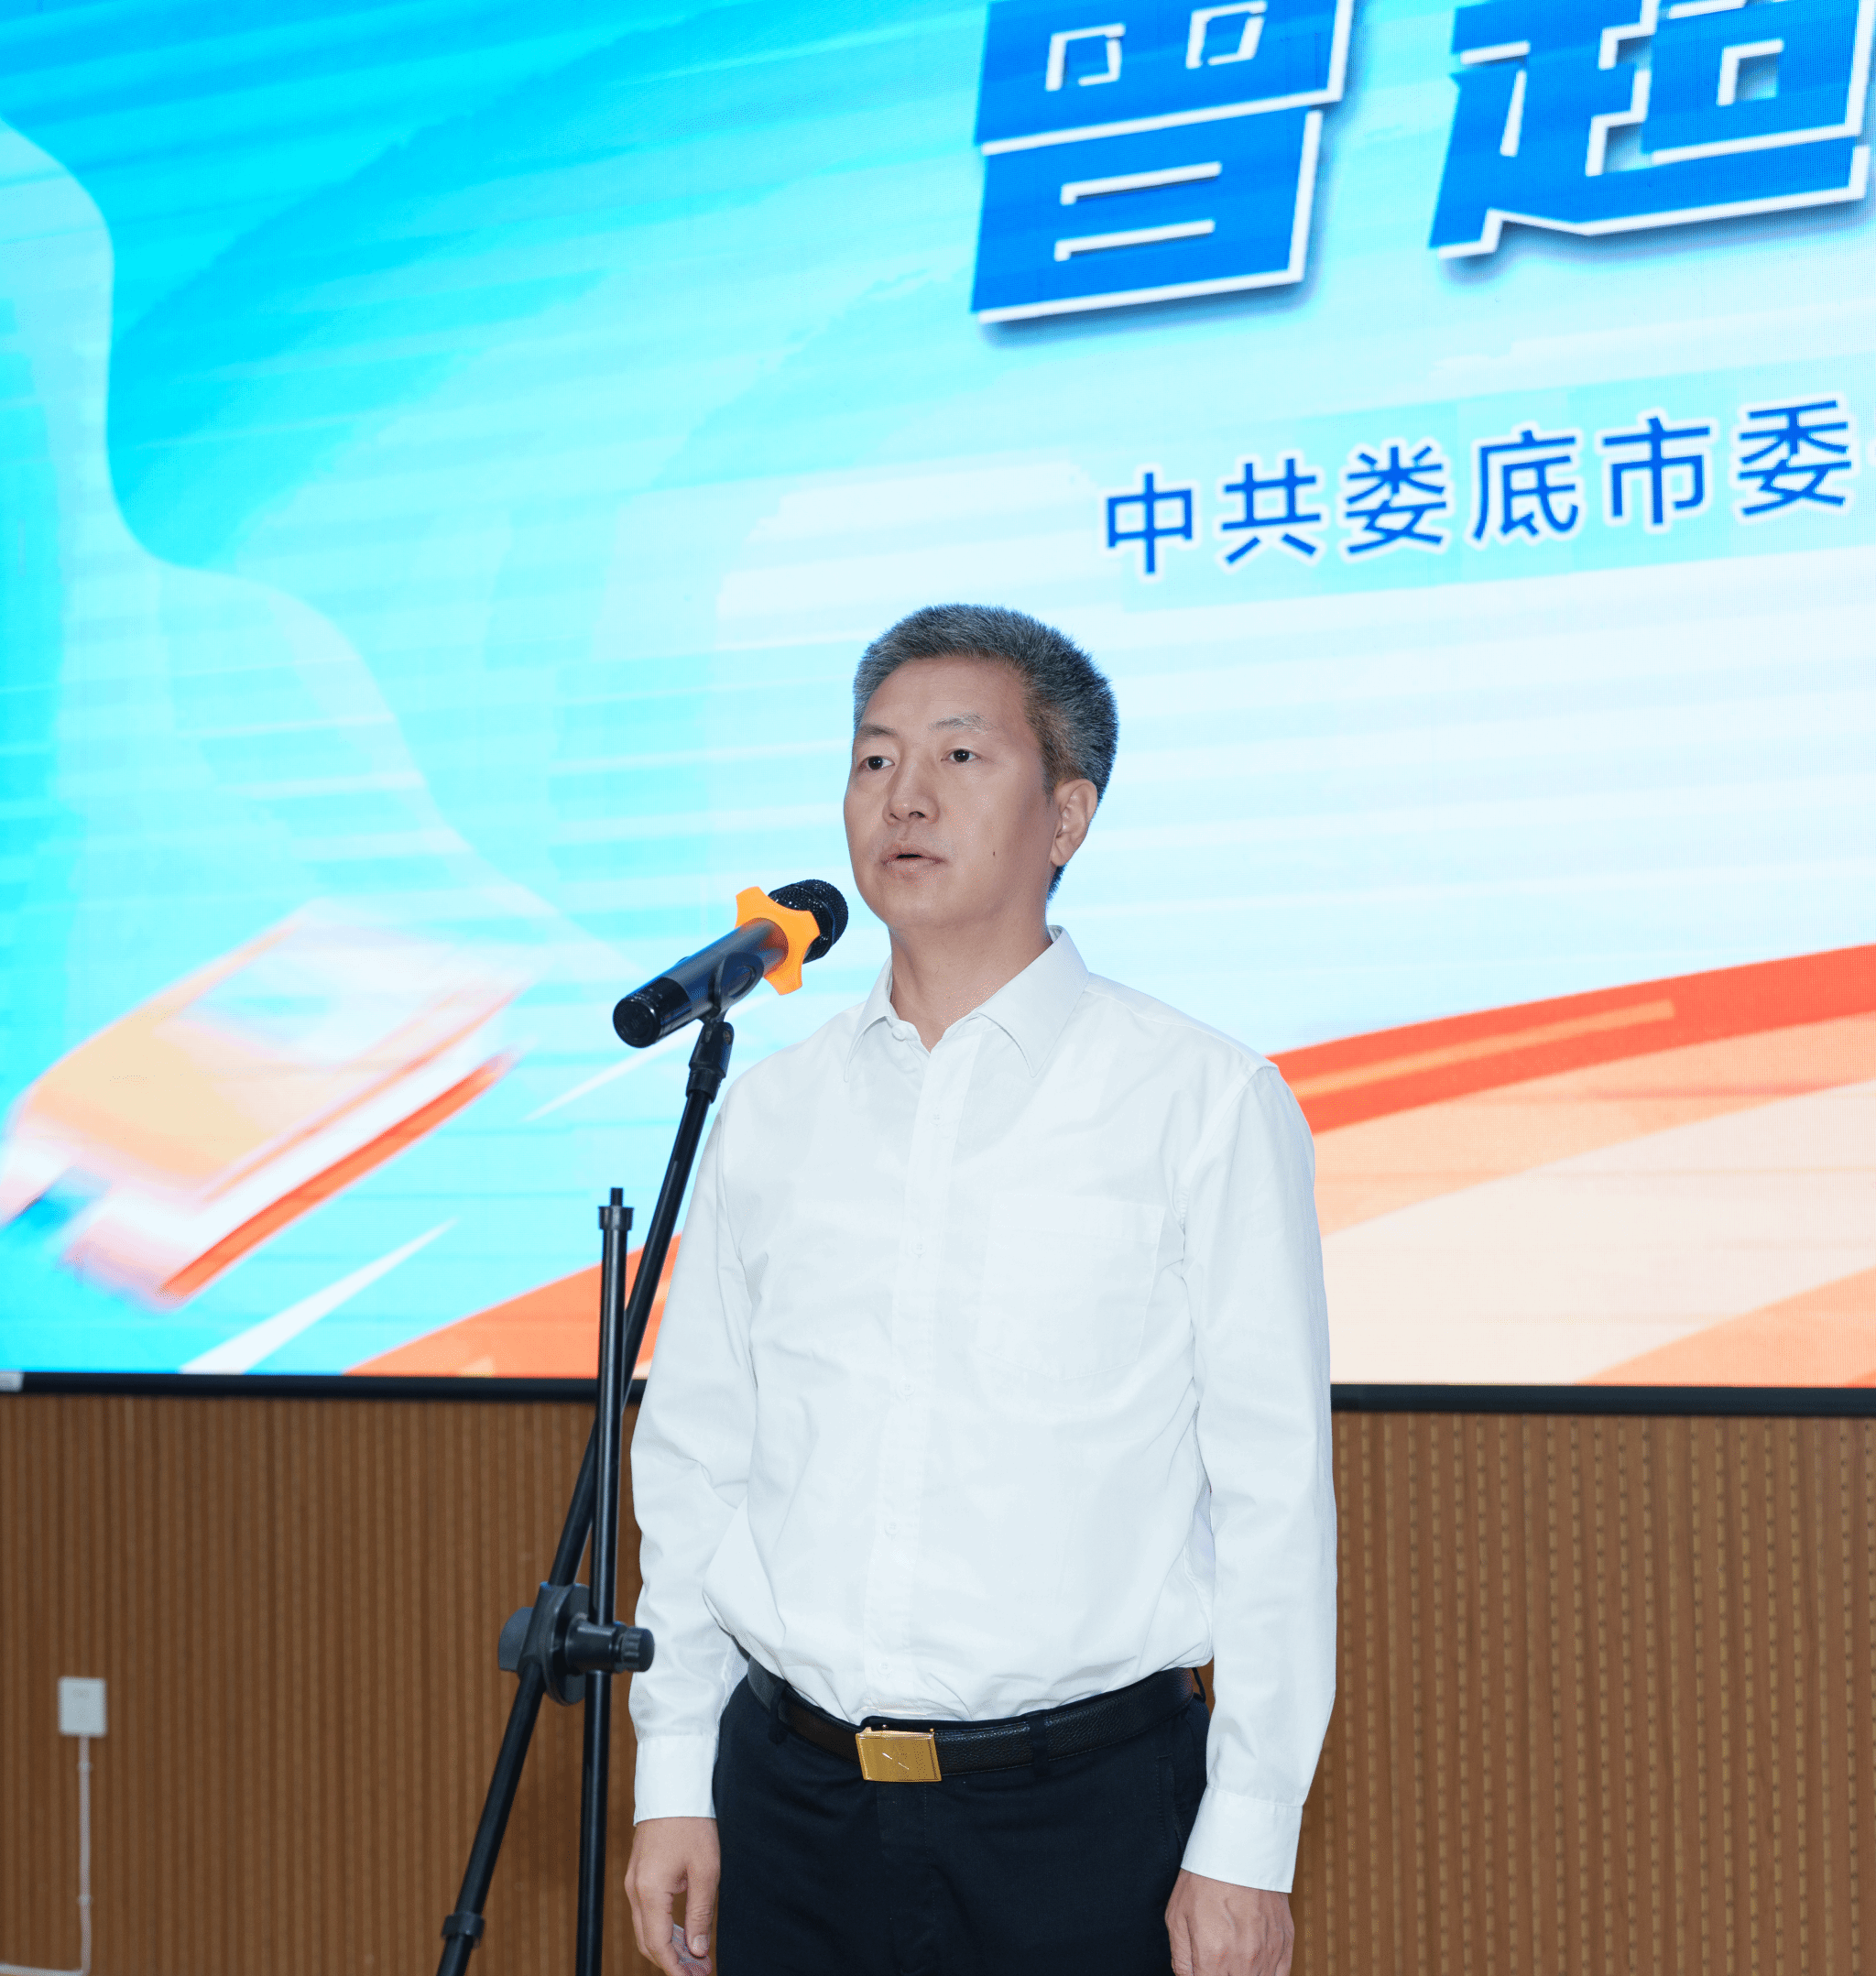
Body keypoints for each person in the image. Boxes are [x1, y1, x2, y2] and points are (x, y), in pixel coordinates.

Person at [624, 605, 1335, 1976]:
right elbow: (701, 1463)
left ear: (1067, 816)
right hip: (790, 1804)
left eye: (959, 755)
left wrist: (1249, 1837)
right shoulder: (772, 1112)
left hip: (1086, 1822)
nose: (905, 796)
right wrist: (674, 1776)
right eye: (874, 758)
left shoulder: (1200, 1101)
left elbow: (1274, 1496)